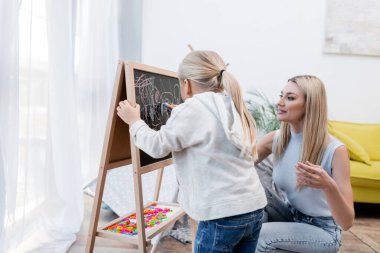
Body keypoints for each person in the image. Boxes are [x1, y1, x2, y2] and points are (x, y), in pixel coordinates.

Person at [116, 50, 267, 252]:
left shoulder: (193, 109)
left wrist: (134, 121)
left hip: (221, 216)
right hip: (253, 208)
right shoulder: (231, 102)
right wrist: (180, 113)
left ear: (186, 83)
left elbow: (156, 146)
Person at [255, 75, 355, 253]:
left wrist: (328, 186)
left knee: (261, 236)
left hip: (323, 232)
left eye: (290, 98)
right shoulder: (276, 139)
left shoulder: (335, 151)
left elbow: (346, 223)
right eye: (281, 95)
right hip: (291, 216)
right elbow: (238, 163)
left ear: (310, 104)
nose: (280, 102)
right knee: (255, 199)